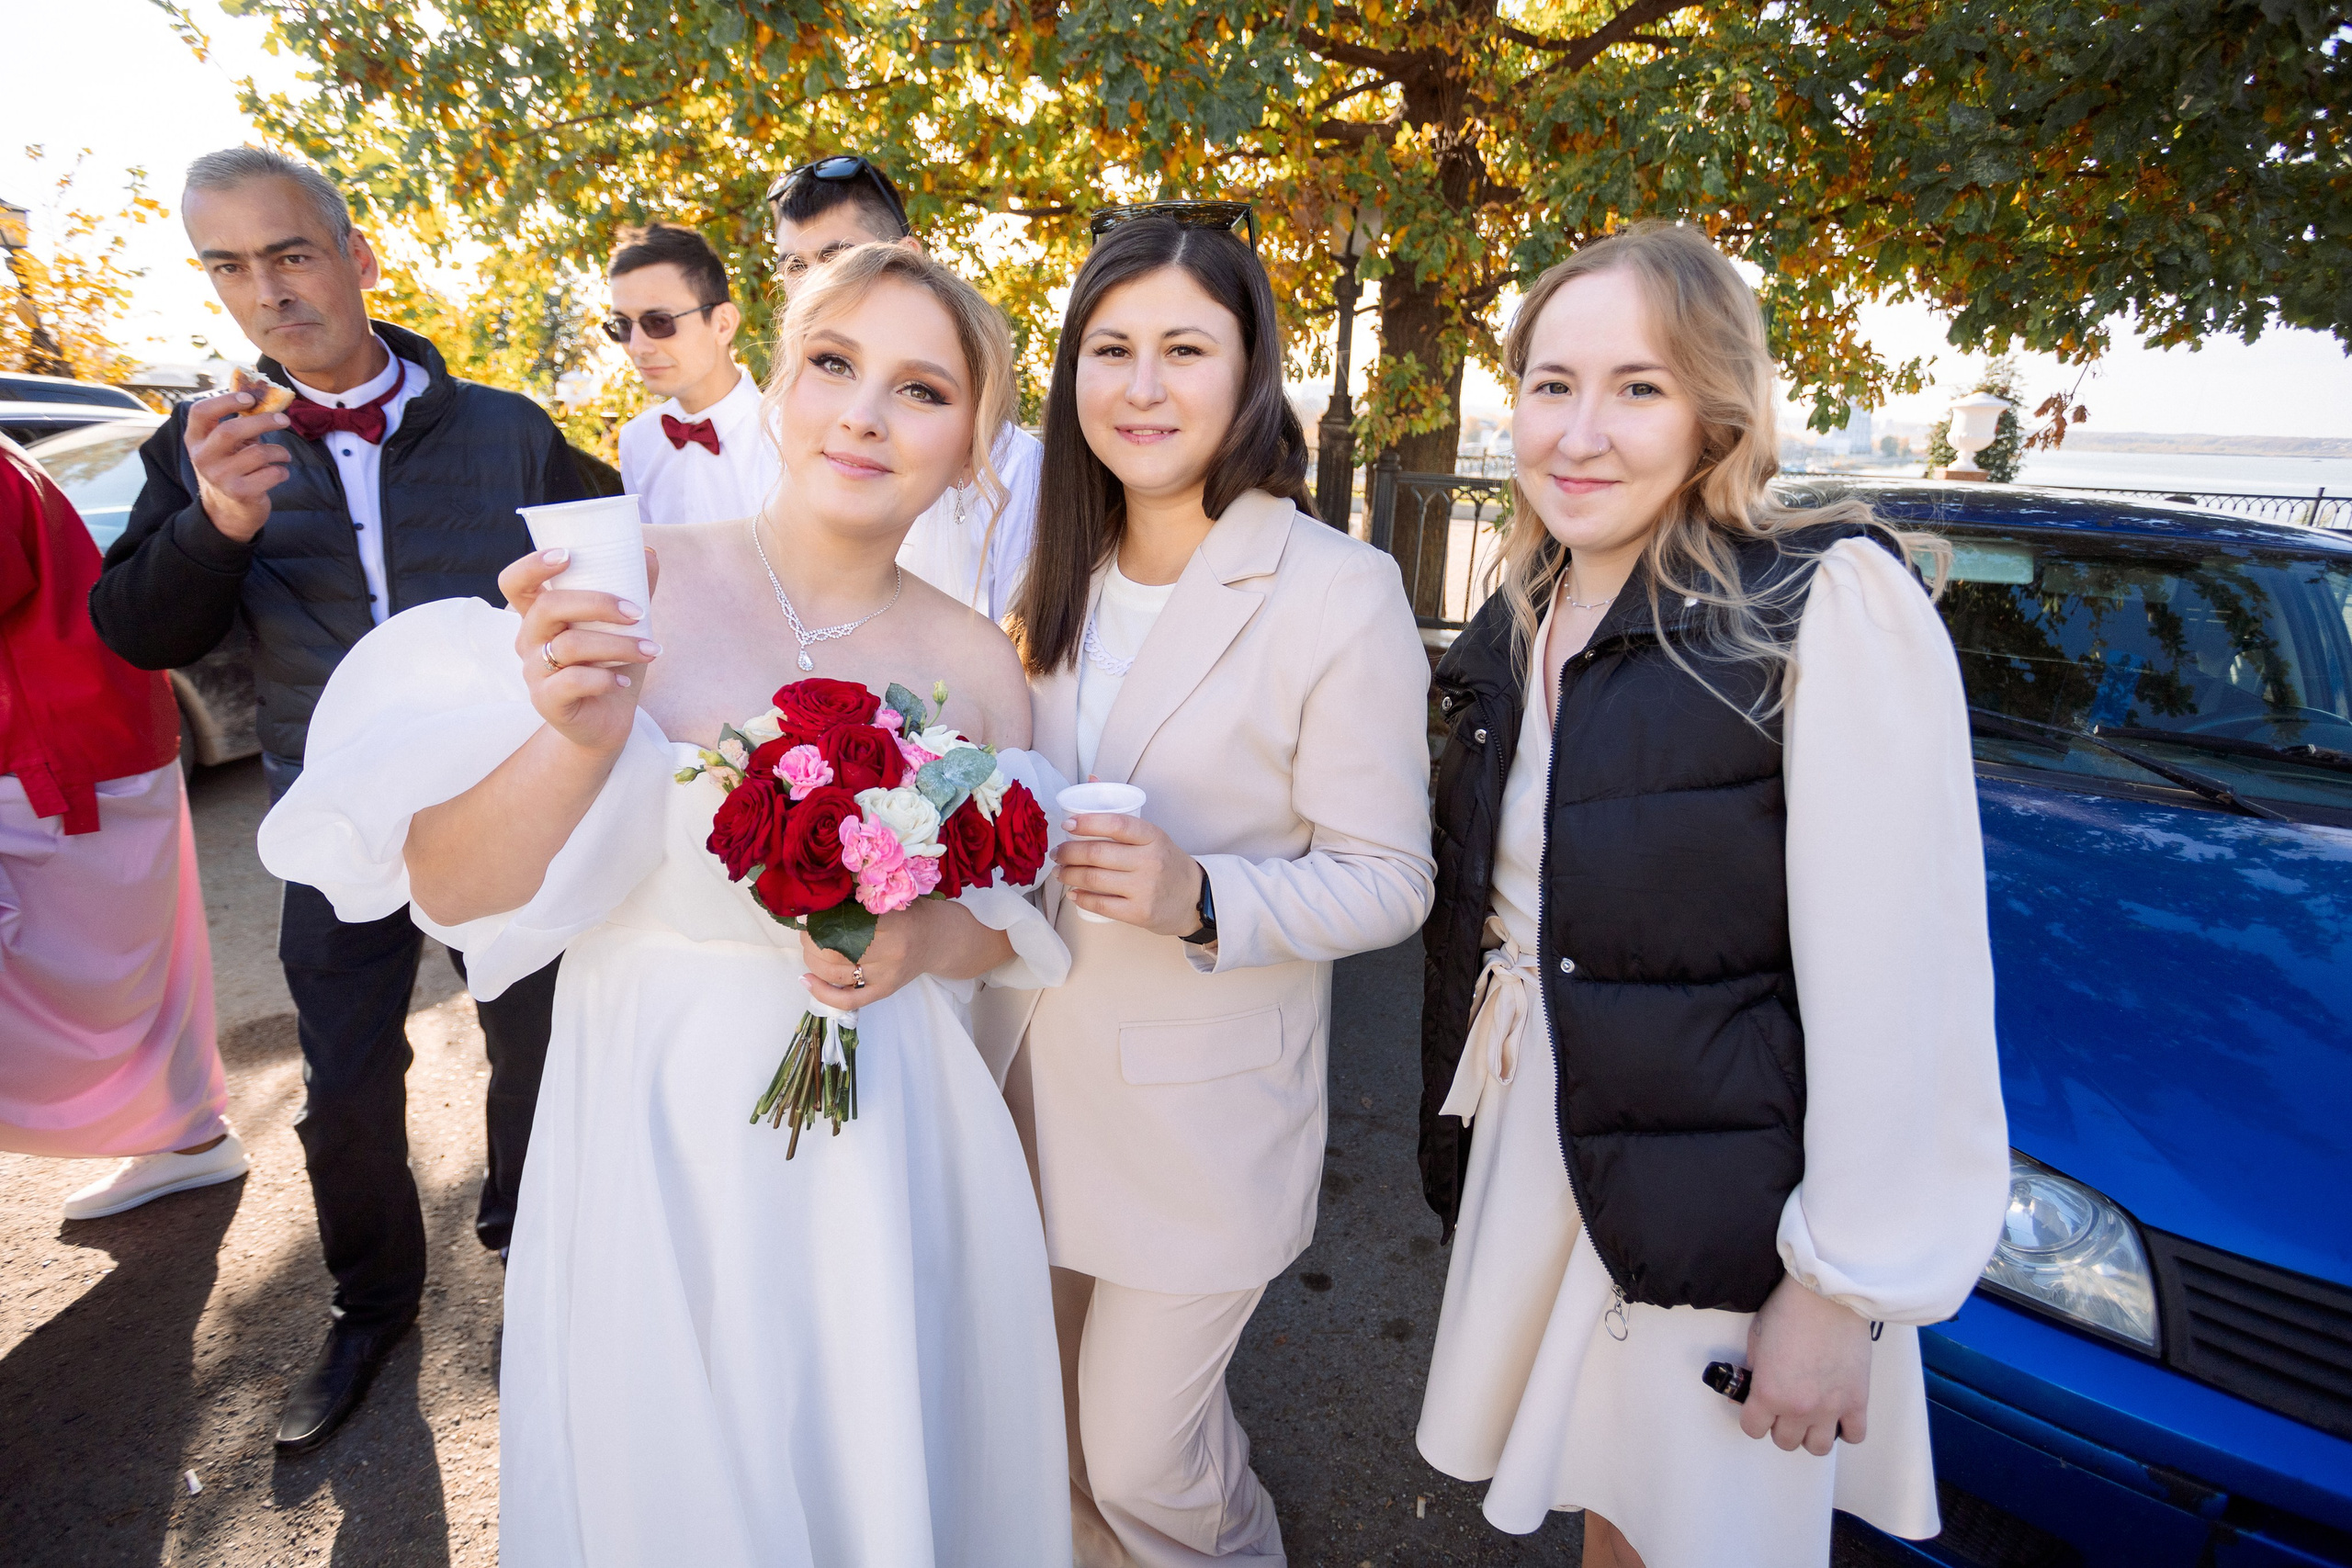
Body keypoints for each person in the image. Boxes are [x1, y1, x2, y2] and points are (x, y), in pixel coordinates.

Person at [258, 242, 1073, 1563]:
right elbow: (453, 889)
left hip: (885, 1120)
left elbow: (1009, 916)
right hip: (650, 1110)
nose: (865, 411)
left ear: (978, 439)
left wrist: (924, 934)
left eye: (923, 388)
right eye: (834, 363)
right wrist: (573, 736)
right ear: (778, 381)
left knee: (867, 1444)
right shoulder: (619, 578)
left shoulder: (977, 662)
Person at [1412, 223, 2008, 1567]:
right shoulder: (1527, 609)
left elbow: (1902, 986)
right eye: (1552, 384)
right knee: (1615, 1520)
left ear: (1716, 412)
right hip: (1556, 1143)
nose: (1579, 430)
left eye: (1638, 386)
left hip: (1728, 1197)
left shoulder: (1823, 605)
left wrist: (1837, 1286)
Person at [88, 147, 592, 1455]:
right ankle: (371, 1306)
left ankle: (532, 1263)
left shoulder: (506, 429)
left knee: (537, 1045)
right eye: (228, 266)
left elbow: (632, 563)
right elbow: (136, 628)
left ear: (359, 257)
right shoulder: (200, 449)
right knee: (348, 1081)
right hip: (334, 821)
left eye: (291, 253)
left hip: (508, 807)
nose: (265, 291)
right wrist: (214, 522)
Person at [988, 209, 1435, 1566]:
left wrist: (1204, 895)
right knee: (1047, 1447)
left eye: (1185, 347)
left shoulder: (1338, 588)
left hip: (1202, 1122)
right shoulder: (1037, 576)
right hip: (1019, 1087)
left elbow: (1390, 878)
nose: (1141, 384)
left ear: (1249, 373)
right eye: (1109, 349)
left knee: (1145, 1455)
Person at [0, 434, 246, 1213]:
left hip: (55, 739)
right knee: (136, 960)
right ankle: (191, 1136)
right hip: (82, 729)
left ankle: (191, 1136)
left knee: (110, 965)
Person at [768, 153, 1043, 620]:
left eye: (838, 257)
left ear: (907, 258)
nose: (815, 285)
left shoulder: (1012, 467)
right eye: (795, 265)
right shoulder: (782, 425)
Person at [610, 222, 777, 528]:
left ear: (723, 324)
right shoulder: (637, 441)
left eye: (659, 322)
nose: (637, 347)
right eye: (622, 325)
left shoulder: (787, 437)